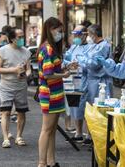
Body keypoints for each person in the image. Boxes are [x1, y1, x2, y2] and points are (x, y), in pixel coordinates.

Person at [37, 17, 70, 167]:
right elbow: (48, 74)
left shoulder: (50, 47)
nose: (61, 34)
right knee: (46, 130)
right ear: (50, 29)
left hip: (54, 93)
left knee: (51, 130)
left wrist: (64, 70)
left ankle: (51, 161)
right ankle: (42, 163)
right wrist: (63, 75)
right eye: (59, 30)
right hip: (50, 93)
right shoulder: (48, 48)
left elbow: (52, 70)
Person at [0, 26, 31, 148]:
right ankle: (6, 138)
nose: (22, 39)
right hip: (6, 86)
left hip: (21, 86)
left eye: (22, 36)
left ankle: (19, 136)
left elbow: (29, 69)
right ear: (12, 38)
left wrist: (26, 74)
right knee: (6, 112)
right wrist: (14, 70)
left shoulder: (26, 51)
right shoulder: (3, 50)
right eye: (19, 37)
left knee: (22, 112)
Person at [62, 24, 90, 142]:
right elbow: (65, 59)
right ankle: (78, 133)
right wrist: (68, 64)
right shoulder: (73, 47)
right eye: (74, 34)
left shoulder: (91, 47)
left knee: (87, 108)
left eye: (78, 34)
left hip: (86, 80)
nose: (76, 37)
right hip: (73, 81)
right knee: (75, 107)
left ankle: (89, 135)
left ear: (85, 35)